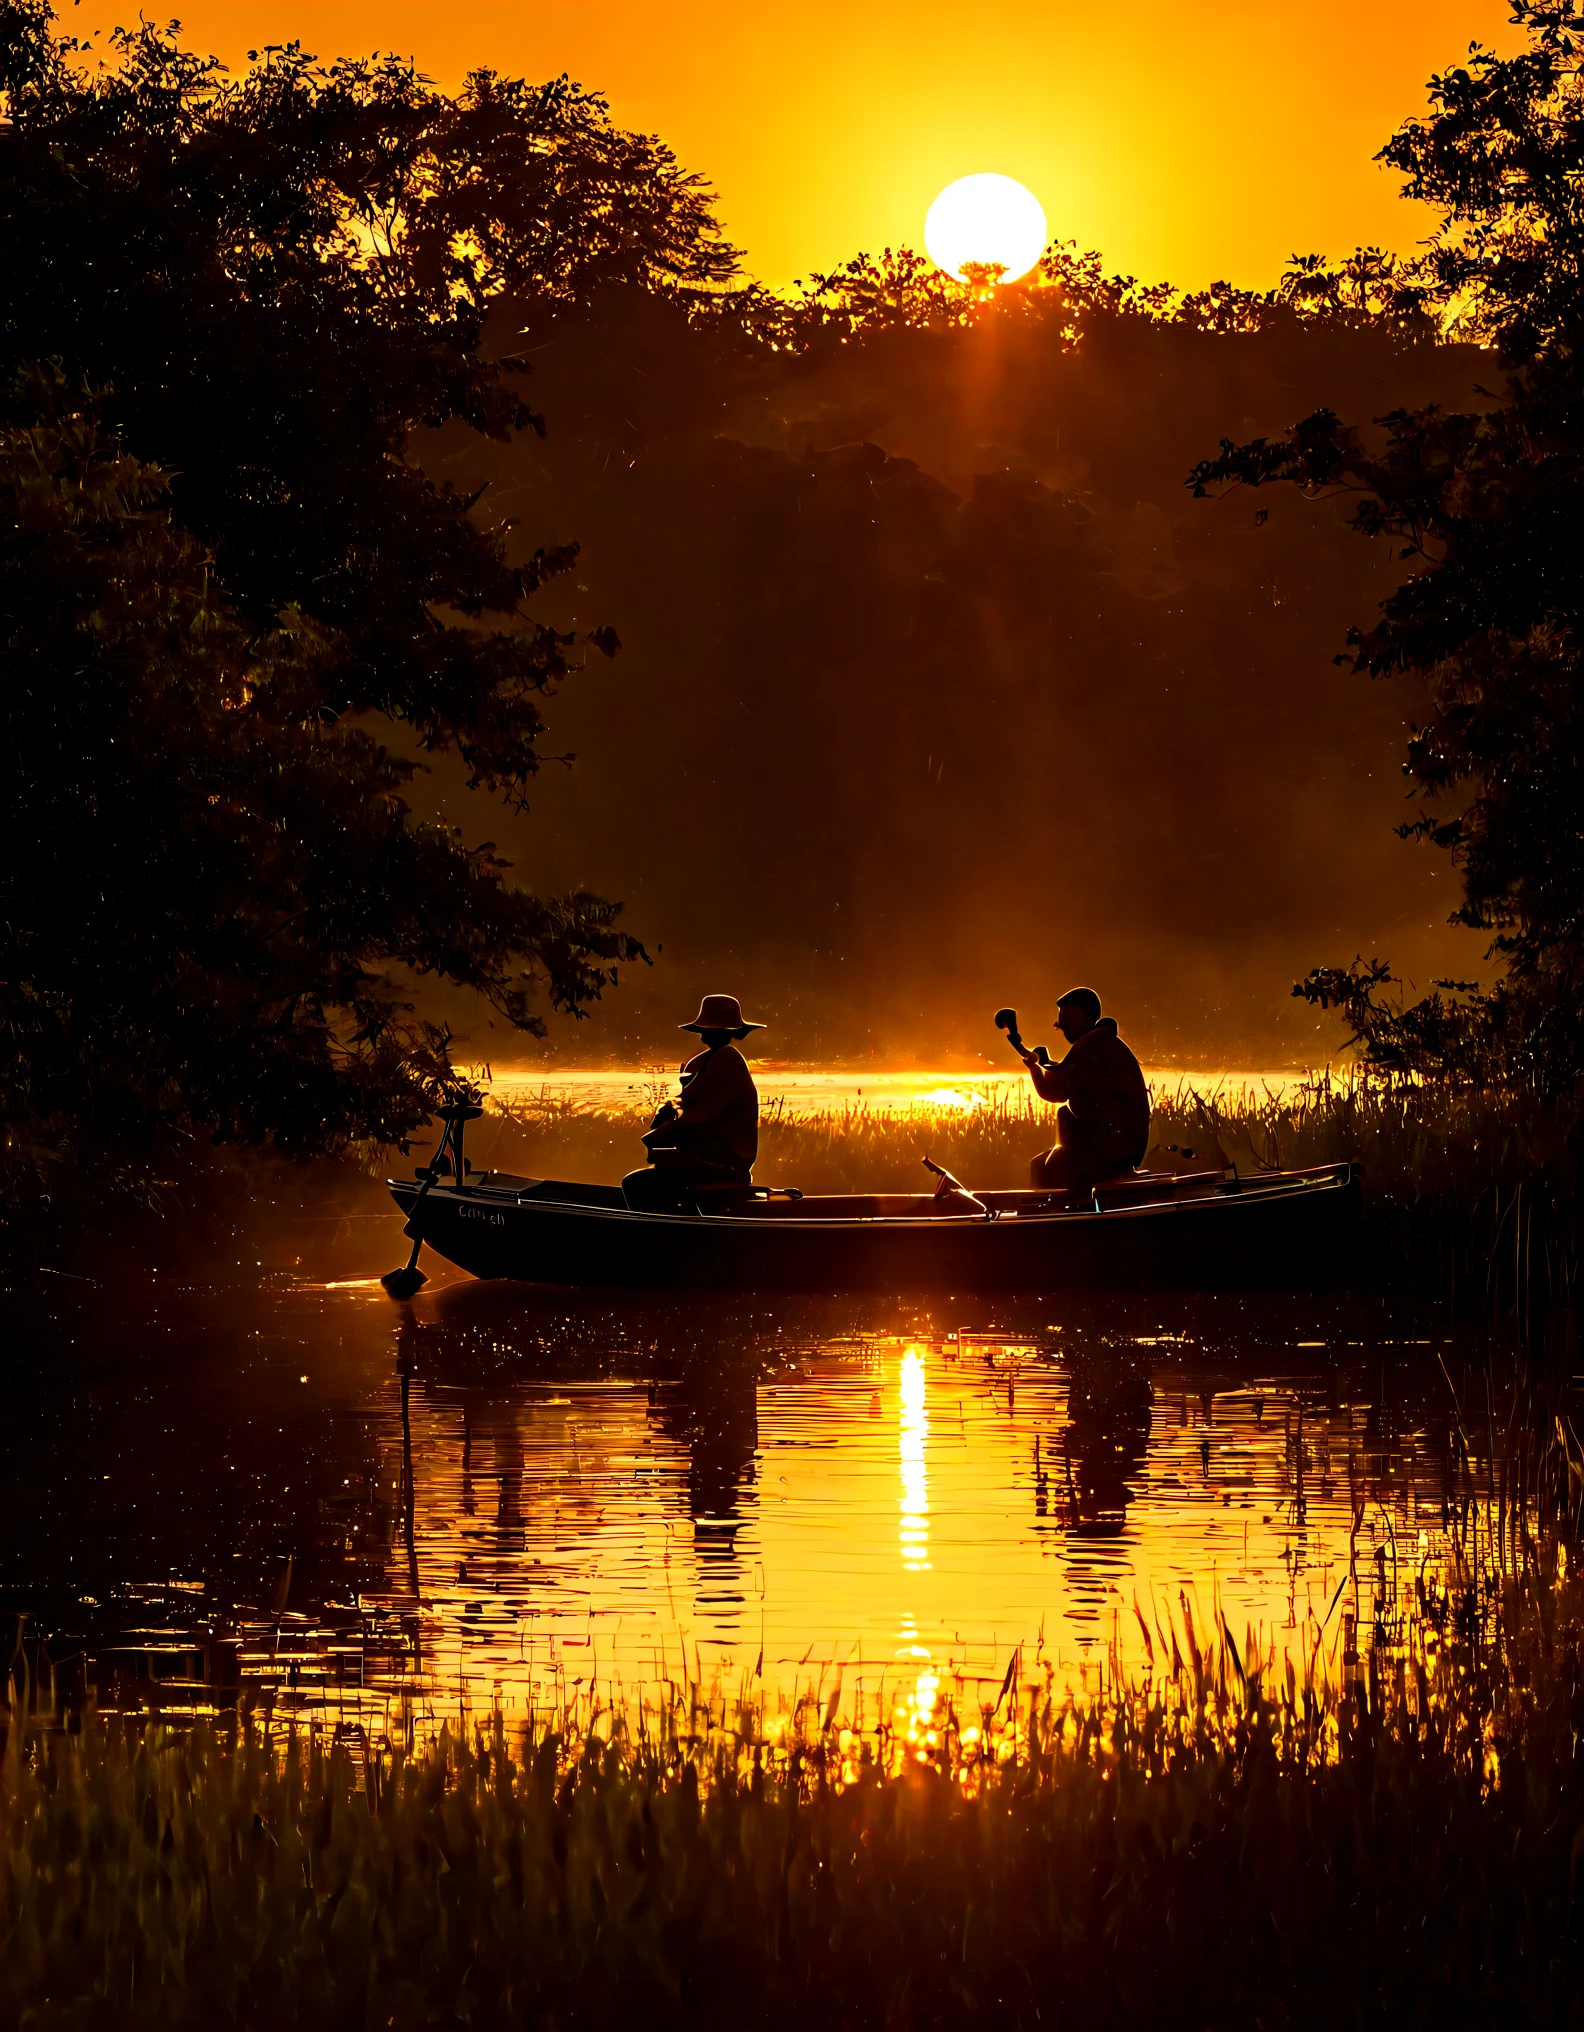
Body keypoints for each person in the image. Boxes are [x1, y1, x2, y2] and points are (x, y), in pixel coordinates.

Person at [622, 994, 765, 1212]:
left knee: (635, 1184)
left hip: (723, 1165)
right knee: (651, 1176)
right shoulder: (702, 1061)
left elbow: (703, 1116)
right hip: (704, 1159)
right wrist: (670, 1118)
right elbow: (691, 1111)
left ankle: (672, 1233)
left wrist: (665, 1132)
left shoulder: (728, 1060)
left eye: (710, 1028)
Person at [1009, 986, 1150, 1192]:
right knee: (1041, 1163)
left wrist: (1036, 1066)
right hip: (1112, 1141)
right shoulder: (1094, 1045)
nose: (1059, 1024)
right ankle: (1048, 1210)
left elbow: (1058, 1091)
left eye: (1064, 1015)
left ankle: (1056, 1214)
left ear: (1083, 1014)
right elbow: (1063, 1082)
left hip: (1117, 1143)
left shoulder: (1090, 1048)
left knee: (1051, 1165)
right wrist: (1036, 1065)